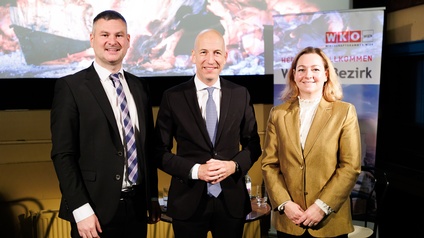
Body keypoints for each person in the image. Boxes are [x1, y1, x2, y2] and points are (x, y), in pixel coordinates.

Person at [50, 10, 161, 238]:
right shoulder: (71, 87)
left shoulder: (139, 87)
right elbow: (63, 155)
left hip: (137, 210)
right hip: (93, 212)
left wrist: (151, 198)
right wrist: (81, 210)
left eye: (119, 35)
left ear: (128, 40)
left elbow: (147, 148)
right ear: (92, 40)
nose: (112, 41)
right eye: (104, 35)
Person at [154, 28, 262, 238]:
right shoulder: (173, 97)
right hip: (188, 201)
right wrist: (196, 171)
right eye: (203, 52)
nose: (210, 59)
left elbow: (253, 144)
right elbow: (159, 151)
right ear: (193, 56)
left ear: (225, 56)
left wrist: (234, 165)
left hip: (231, 200)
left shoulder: (240, 94)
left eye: (216, 53)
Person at [261, 46, 361, 238]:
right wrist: (285, 204)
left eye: (315, 69)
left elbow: (350, 167)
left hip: (328, 221)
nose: (308, 75)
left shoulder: (345, 112)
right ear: (294, 75)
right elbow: (269, 165)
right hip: (290, 220)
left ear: (326, 74)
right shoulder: (278, 114)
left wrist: (322, 207)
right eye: (301, 69)